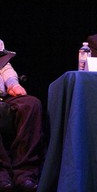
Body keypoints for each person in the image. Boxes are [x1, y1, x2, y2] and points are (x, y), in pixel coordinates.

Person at [0, 39, 43, 192]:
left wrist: (13, 83)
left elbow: (4, 66)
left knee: (31, 105)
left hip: (3, 94)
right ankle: (2, 174)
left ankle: (24, 174)